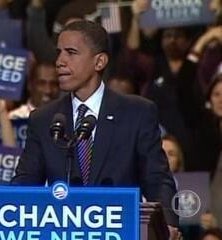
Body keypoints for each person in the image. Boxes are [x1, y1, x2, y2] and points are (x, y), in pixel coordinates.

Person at [12, 20, 179, 237]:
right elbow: (25, 184)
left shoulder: (137, 113)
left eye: (71, 52)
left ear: (99, 61)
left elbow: (157, 179)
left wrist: (167, 225)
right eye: (59, 52)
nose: (60, 61)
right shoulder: (44, 119)